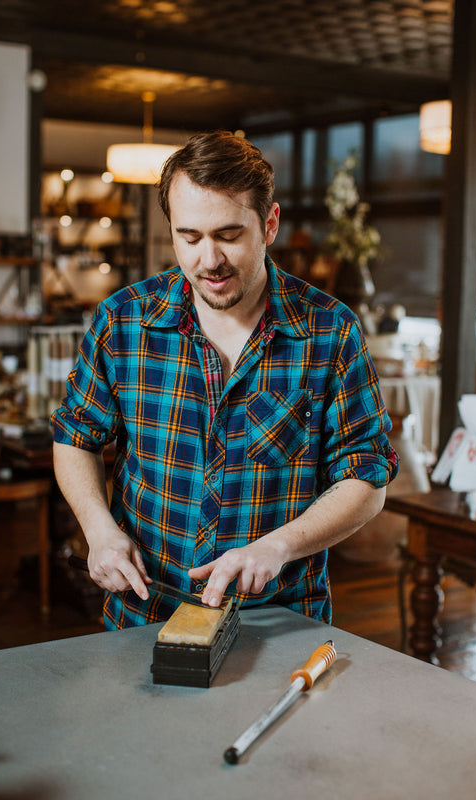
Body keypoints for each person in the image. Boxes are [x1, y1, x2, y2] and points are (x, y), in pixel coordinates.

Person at [51, 131, 398, 630]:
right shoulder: (122, 322)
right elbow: (75, 438)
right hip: (143, 614)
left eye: (228, 236)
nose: (207, 260)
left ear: (270, 224)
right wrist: (98, 528)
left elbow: (366, 477)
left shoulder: (329, 330)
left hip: (278, 620)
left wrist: (280, 546)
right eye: (189, 237)